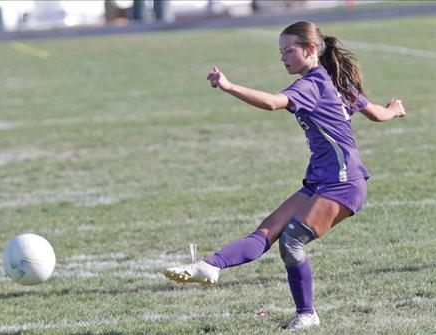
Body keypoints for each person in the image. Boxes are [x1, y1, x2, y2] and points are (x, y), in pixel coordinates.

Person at [163, 21, 405, 331]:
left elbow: (273, 103)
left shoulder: (313, 84)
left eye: (289, 51)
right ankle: (209, 266)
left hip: (343, 184)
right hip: (322, 181)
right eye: (281, 52)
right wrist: (395, 109)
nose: (283, 58)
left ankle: (307, 315)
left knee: (291, 240)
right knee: (266, 232)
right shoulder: (335, 79)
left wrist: (228, 86)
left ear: (311, 50)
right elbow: (377, 114)